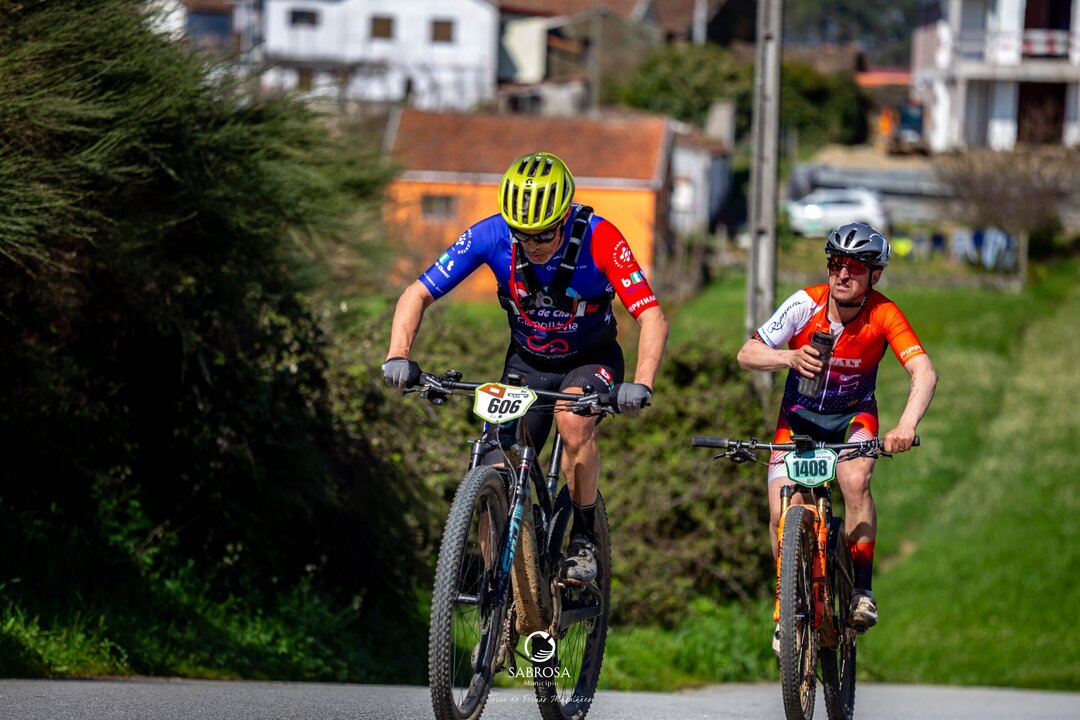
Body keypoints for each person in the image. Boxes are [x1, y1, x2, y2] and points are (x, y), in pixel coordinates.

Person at [382, 151, 668, 585]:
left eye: (544, 235)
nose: (533, 245)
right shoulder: (490, 234)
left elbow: (651, 316)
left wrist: (641, 383)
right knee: (493, 463)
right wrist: (398, 355)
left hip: (591, 361)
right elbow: (416, 293)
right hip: (526, 364)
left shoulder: (601, 237)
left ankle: (584, 538)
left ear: (565, 217)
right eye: (523, 235)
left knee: (572, 420)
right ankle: (496, 594)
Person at [736, 222, 937, 647]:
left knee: (855, 480)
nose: (842, 274)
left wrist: (906, 426)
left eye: (855, 267)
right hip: (798, 420)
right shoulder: (803, 303)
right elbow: (747, 353)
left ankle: (861, 590)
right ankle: (788, 606)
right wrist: (789, 357)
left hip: (852, 419)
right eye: (835, 264)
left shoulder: (884, 314)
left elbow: (923, 371)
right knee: (779, 512)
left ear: (874, 275)